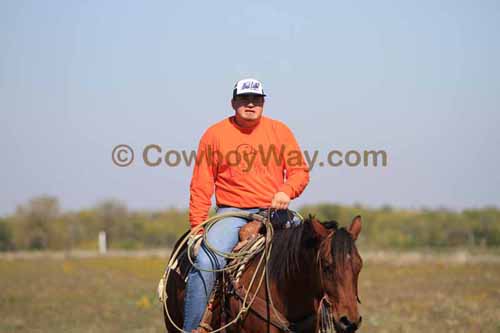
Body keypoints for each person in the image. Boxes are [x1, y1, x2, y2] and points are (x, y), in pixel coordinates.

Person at [183, 78, 310, 332]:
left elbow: (299, 171)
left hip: (274, 212)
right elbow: (201, 184)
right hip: (231, 213)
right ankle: (193, 328)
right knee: (206, 262)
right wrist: (197, 228)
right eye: (244, 99)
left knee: (312, 252)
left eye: (256, 100)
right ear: (233, 103)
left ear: (263, 103)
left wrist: (286, 190)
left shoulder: (280, 131)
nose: (250, 104)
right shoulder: (214, 134)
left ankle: (322, 320)